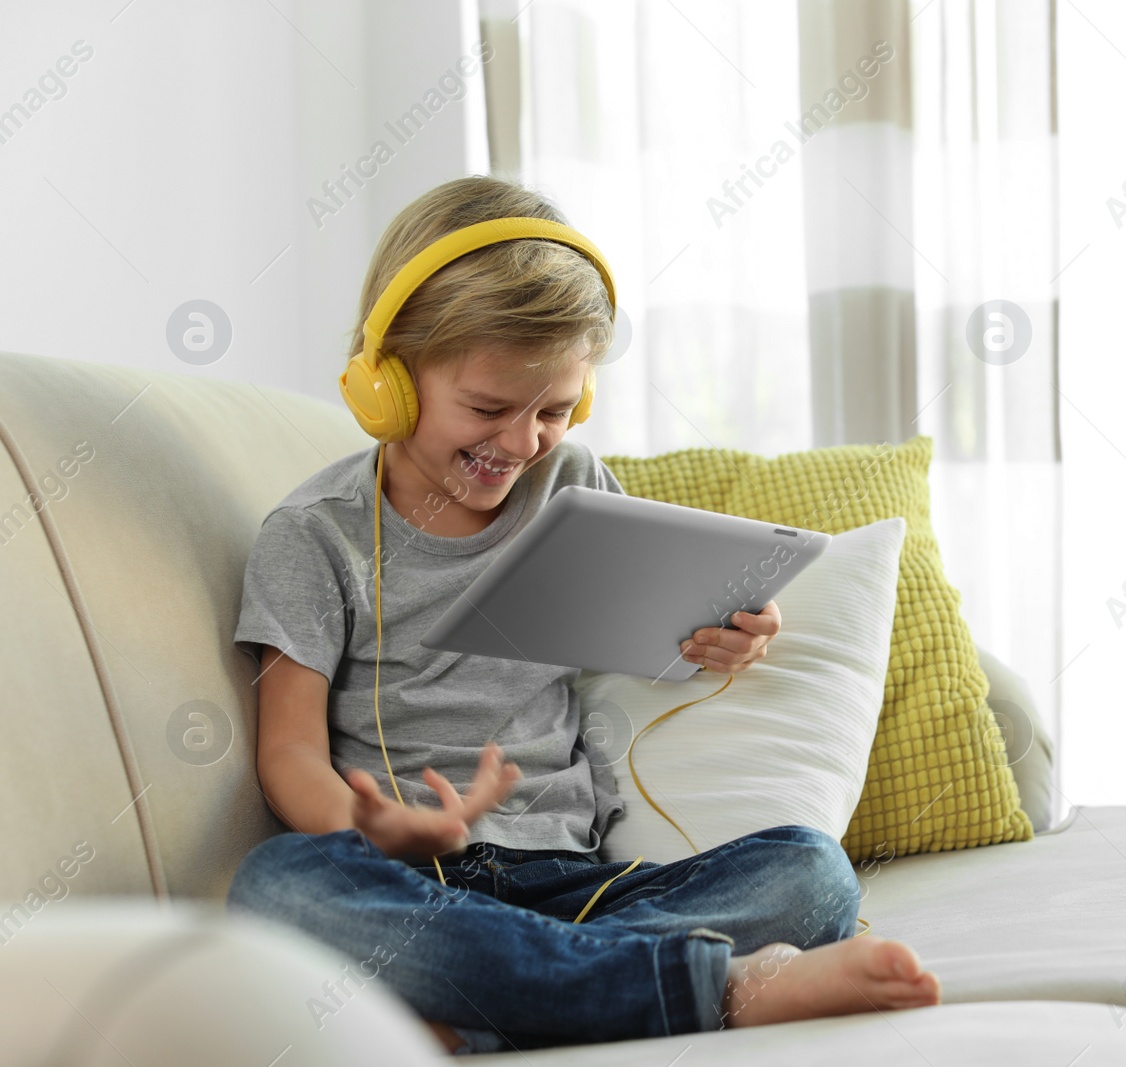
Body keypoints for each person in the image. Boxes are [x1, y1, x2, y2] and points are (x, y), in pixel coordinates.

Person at [225, 174, 941, 1055]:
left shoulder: (571, 487)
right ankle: (719, 987)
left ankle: (496, 1005)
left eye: (555, 410)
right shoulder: (313, 537)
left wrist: (729, 633)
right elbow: (287, 750)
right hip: (412, 880)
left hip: (575, 878)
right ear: (389, 380)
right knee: (278, 884)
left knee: (811, 869)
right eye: (487, 408)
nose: (522, 443)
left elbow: (654, 637)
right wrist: (368, 829)